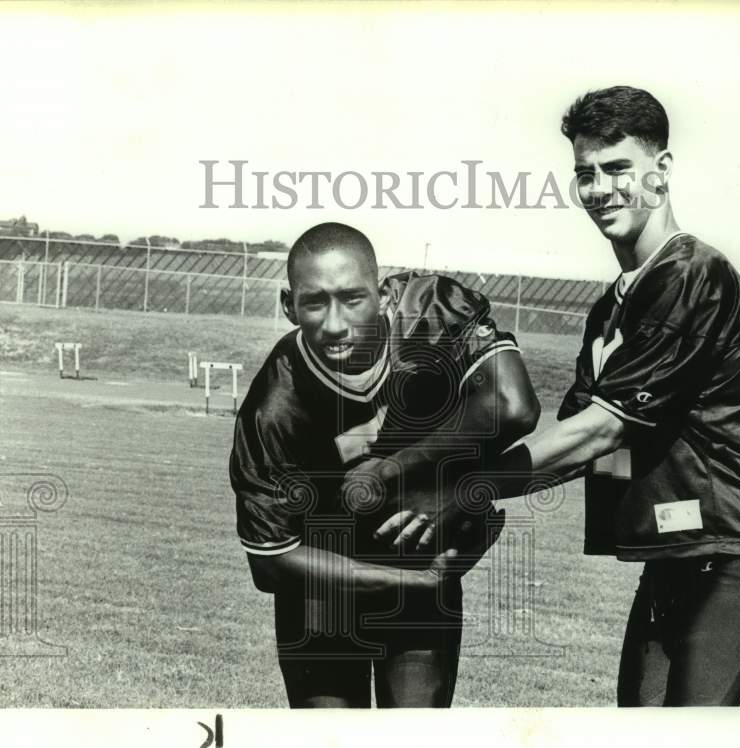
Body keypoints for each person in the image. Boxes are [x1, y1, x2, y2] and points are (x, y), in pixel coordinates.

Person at [377, 86, 740, 706]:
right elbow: (573, 445)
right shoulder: (613, 305)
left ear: (661, 173)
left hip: (736, 557)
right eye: (586, 173)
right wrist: (459, 487)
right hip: (674, 563)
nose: (599, 189)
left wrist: (462, 491)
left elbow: (602, 430)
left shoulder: (692, 273)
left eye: (617, 169)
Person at [230, 221, 539, 708]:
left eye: (353, 298)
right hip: (324, 591)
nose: (335, 323)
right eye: (314, 302)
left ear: (385, 295)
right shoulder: (274, 404)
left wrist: (395, 471)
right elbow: (270, 562)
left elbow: (513, 406)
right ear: (288, 304)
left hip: (415, 578)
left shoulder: (431, 313)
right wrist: (419, 582)